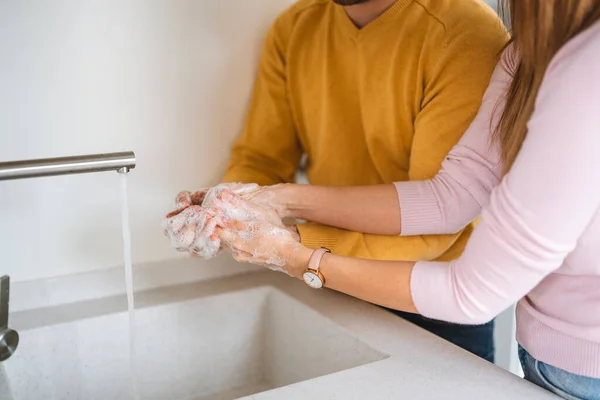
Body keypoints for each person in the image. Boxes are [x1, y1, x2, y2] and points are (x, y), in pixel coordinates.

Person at [175, 0, 599, 398]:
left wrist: (293, 250)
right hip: (540, 349)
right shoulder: (527, 54)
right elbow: (446, 198)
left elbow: (468, 288)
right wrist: (261, 204)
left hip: (450, 308)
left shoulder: (491, 41)